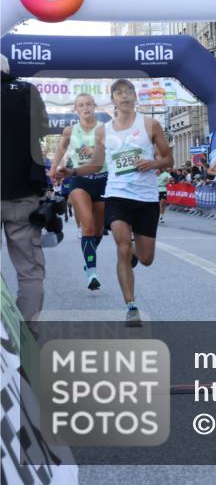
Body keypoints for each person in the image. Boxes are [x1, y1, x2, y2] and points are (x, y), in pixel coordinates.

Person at [62, 79, 174, 326]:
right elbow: (95, 164)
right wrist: (71, 172)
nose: (124, 97)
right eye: (119, 93)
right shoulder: (104, 131)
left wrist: (153, 163)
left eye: (128, 92)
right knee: (121, 246)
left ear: (135, 97)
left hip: (145, 198)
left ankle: (135, 253)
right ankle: (131, 307)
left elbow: (169, 160)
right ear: (113, 100)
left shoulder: (150, 124)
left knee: (146, 259)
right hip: (117, 195)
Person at [1, 55, 50, 321]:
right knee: (29, 271)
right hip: (23, 193)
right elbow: (42, 128)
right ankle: (24, 338)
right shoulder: (27, 91)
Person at [48, 94, 108, 290]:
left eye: (89, 104)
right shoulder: (69, 130)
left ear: (95, 106)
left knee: (99, 230)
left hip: (103, 180)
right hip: (80, 181)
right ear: (76, 109)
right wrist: (53, 168)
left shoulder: (105, 129)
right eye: (81, 105)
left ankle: (87, 259)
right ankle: (92, 272)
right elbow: (60, 149)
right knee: (88, 227)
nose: (85, 108)